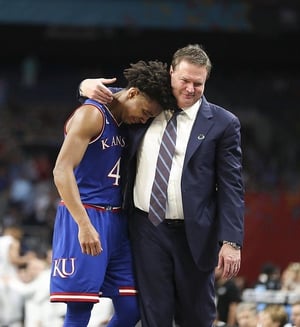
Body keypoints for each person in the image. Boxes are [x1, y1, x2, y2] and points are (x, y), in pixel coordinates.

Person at [78, 43, 245, 327]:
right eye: (185, 80)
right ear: (171, 73)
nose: (190, 88)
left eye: (198, 83)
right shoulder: (146, 104)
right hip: (146, 229)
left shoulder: (223, 123)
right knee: (154, 315)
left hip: (195, 234)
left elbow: (232, 186)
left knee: (197, 317)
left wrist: (231, 241)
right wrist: (84, 85)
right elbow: (104, 101)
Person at [49, 60, 177, 327]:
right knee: (79, 308)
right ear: (132, 94)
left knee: (133, 308)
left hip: (119, 220)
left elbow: (109, 91)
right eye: (143, 112)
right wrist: (83, 224)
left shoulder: (125, 114)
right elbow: (61, 171)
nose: (143, 119)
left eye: (149, 117)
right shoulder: (91, 115)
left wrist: (83, 86)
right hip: (85, 214)